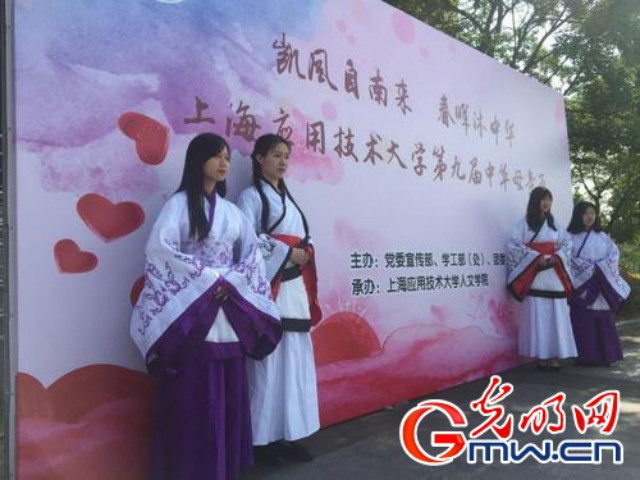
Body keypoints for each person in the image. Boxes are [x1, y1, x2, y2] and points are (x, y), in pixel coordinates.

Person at [129, 133, 282, 480]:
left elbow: (252, 256)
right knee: (194, 393)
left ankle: (223, 467)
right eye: (216, 156)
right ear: (198, 161)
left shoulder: (232, 212)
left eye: (227, 157)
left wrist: (233, 283)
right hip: (195, 311)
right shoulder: (178, 205)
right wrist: (210, 280)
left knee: (228, 390)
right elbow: (160, 251)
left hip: (227, 309)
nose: (224, 163)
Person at [238, 133, 321, 465]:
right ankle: (261, 440)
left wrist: (305, 252)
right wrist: (288, 252)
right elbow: (245, 241)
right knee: (267, 364)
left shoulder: (289, 198)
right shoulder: (250, 197)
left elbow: (303, 238)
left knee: (294, 361)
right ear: (259, 158)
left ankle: (290, 433)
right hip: (269, 290)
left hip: (293, 290)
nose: (283, 161)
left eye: (286, 155)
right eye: (276, 154)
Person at [506, 186, 577, 370]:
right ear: (535, 201)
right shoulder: (523, 224)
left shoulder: (555, 224)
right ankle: (541, 357)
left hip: (554, 274)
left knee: (556, 316)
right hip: (535, 274)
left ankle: (555, 356)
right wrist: (536, 258)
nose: (546, 203)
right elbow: (513, 246)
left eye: (549, 199)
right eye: (543, 199)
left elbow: (567, 243)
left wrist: (557, 257)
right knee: (537, 317)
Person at [567, 201, 629, 366]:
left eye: (592, 213)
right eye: (586, 213)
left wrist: (600, 269)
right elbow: (567, 258)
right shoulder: (570, 237)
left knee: (604, 320)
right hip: (581, 283)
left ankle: (607, 356)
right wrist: (589, 270)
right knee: (583, 320)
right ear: (579, 215)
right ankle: (585, 357)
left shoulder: (603, 237)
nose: (590, 217)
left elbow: (614, 256)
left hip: (601, 283)